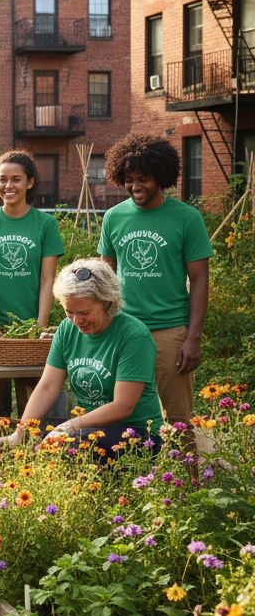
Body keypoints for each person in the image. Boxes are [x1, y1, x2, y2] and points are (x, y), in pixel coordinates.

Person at [0, 259, 163, 458]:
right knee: (47, 450)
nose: (76, 321)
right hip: (89, 430)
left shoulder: (134, 336)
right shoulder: (67, 330)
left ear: (107, 302)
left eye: (84, 313)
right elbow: (47, 386)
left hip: (137, 434)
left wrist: (69, 426)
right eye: (69, 312)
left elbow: (123, 406)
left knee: (64, 448)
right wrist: (19, 434)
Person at [99, 132, 212, 425]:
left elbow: (200, 280)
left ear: (161, 177)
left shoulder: (186, 218)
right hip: (124, 328)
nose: (135, 186)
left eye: (143, 179)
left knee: (177, 418)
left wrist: (193, 338)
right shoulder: (113, 217)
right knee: (124, 413)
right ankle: (136, 471)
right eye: (129, 178)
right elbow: (105, 277)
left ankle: (189, 472)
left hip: (169, 330)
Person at [0, 150, 64, 417]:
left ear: (29, 183)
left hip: (30, 325)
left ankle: (40, 451)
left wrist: (40, 323)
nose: (8, 186)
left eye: (16, 179)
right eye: (2, 179)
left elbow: (48, 280)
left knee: (41, 400)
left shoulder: (45, 224)